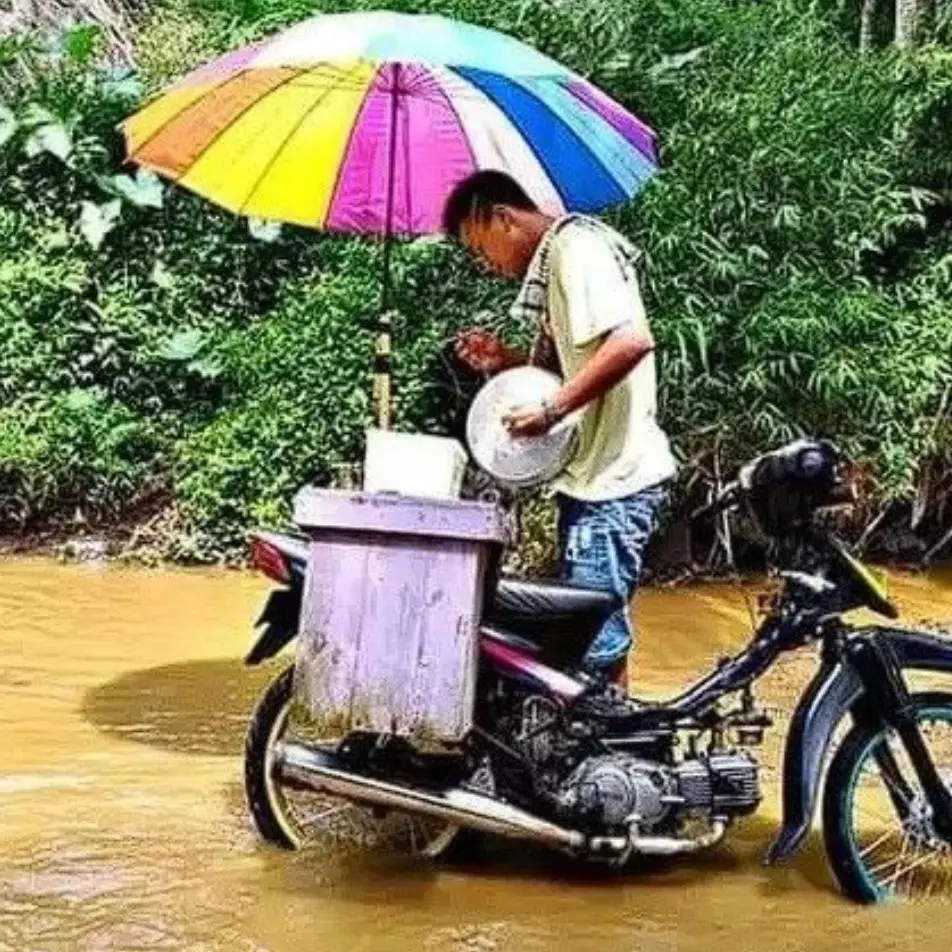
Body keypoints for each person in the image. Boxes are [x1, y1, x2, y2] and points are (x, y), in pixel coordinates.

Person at [443, 170, 676, 686]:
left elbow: (631, 342)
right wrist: (503, 361)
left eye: (482, 250)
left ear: (503, 218)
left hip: (614, 480)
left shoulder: (576, 248)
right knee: (595, 634)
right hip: (593, 479)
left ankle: (606, 756)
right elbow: (573, 372)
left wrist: (549, 412)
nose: (487, 265)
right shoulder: (557, 262)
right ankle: (612, 751)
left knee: (594, 642)